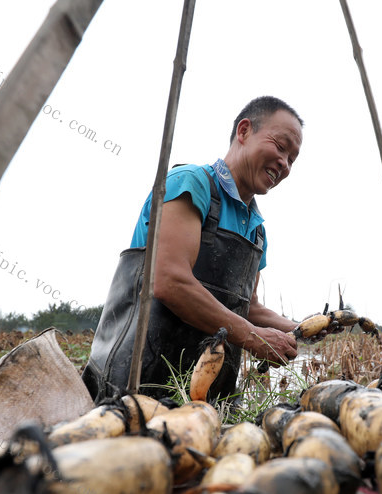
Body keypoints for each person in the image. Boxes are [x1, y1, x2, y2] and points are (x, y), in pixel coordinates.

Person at [83, 96, 304, 402]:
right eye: (280, 147)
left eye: (292, 159)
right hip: (135, 387)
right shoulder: (190, 184)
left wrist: (298, 328)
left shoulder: (256, 229)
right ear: (243, 131)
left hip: (206, 399)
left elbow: (247, 306)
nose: (284, 163)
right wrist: (254, 338)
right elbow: (169, 281)